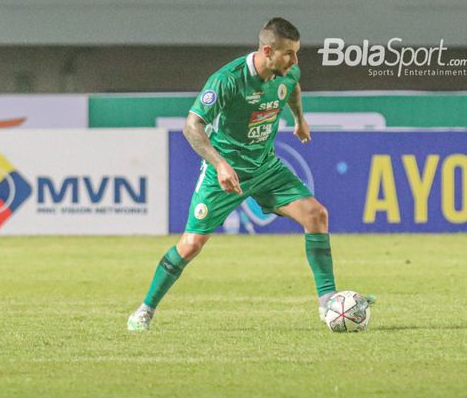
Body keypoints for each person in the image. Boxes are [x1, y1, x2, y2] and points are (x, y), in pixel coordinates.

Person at [127, 17, 372, 331]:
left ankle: (327, 303)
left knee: (316, 214)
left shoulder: (288, 72)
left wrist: (299, 119)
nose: (296, 61)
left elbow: (293, 88)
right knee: (190, 245)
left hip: (265, 167)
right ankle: (145, 310)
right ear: (268, 51)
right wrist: (219, 164)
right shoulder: (228, 80)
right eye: (289, 53)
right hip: (226, 171)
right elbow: (192, 126)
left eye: (297, 53)